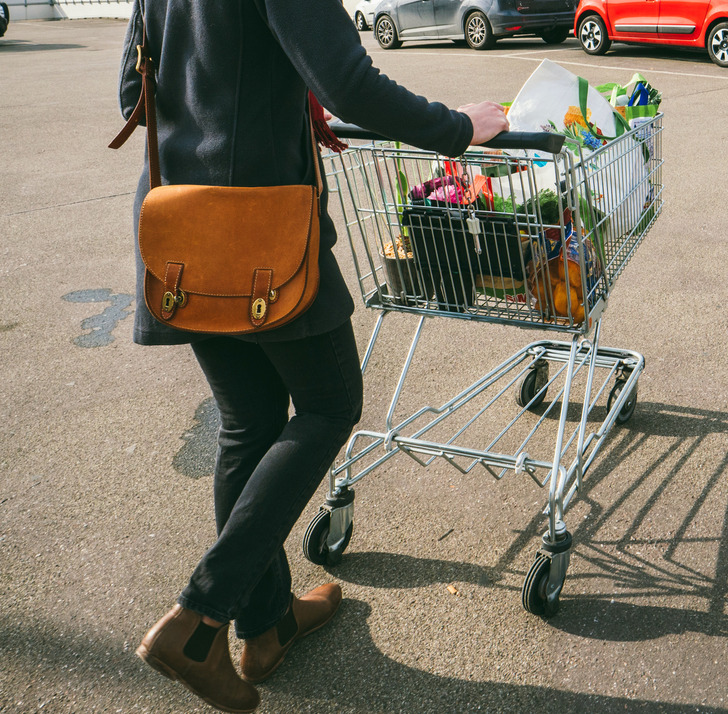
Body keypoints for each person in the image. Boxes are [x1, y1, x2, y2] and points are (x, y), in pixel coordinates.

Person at [116, 0, 509, 710]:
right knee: (330, 405)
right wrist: (458, 127)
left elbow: (132, 93)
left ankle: (265, 624)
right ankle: (199, 618)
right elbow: (348, 82)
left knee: (250, 423)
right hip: (262, 235)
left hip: (184, 228)